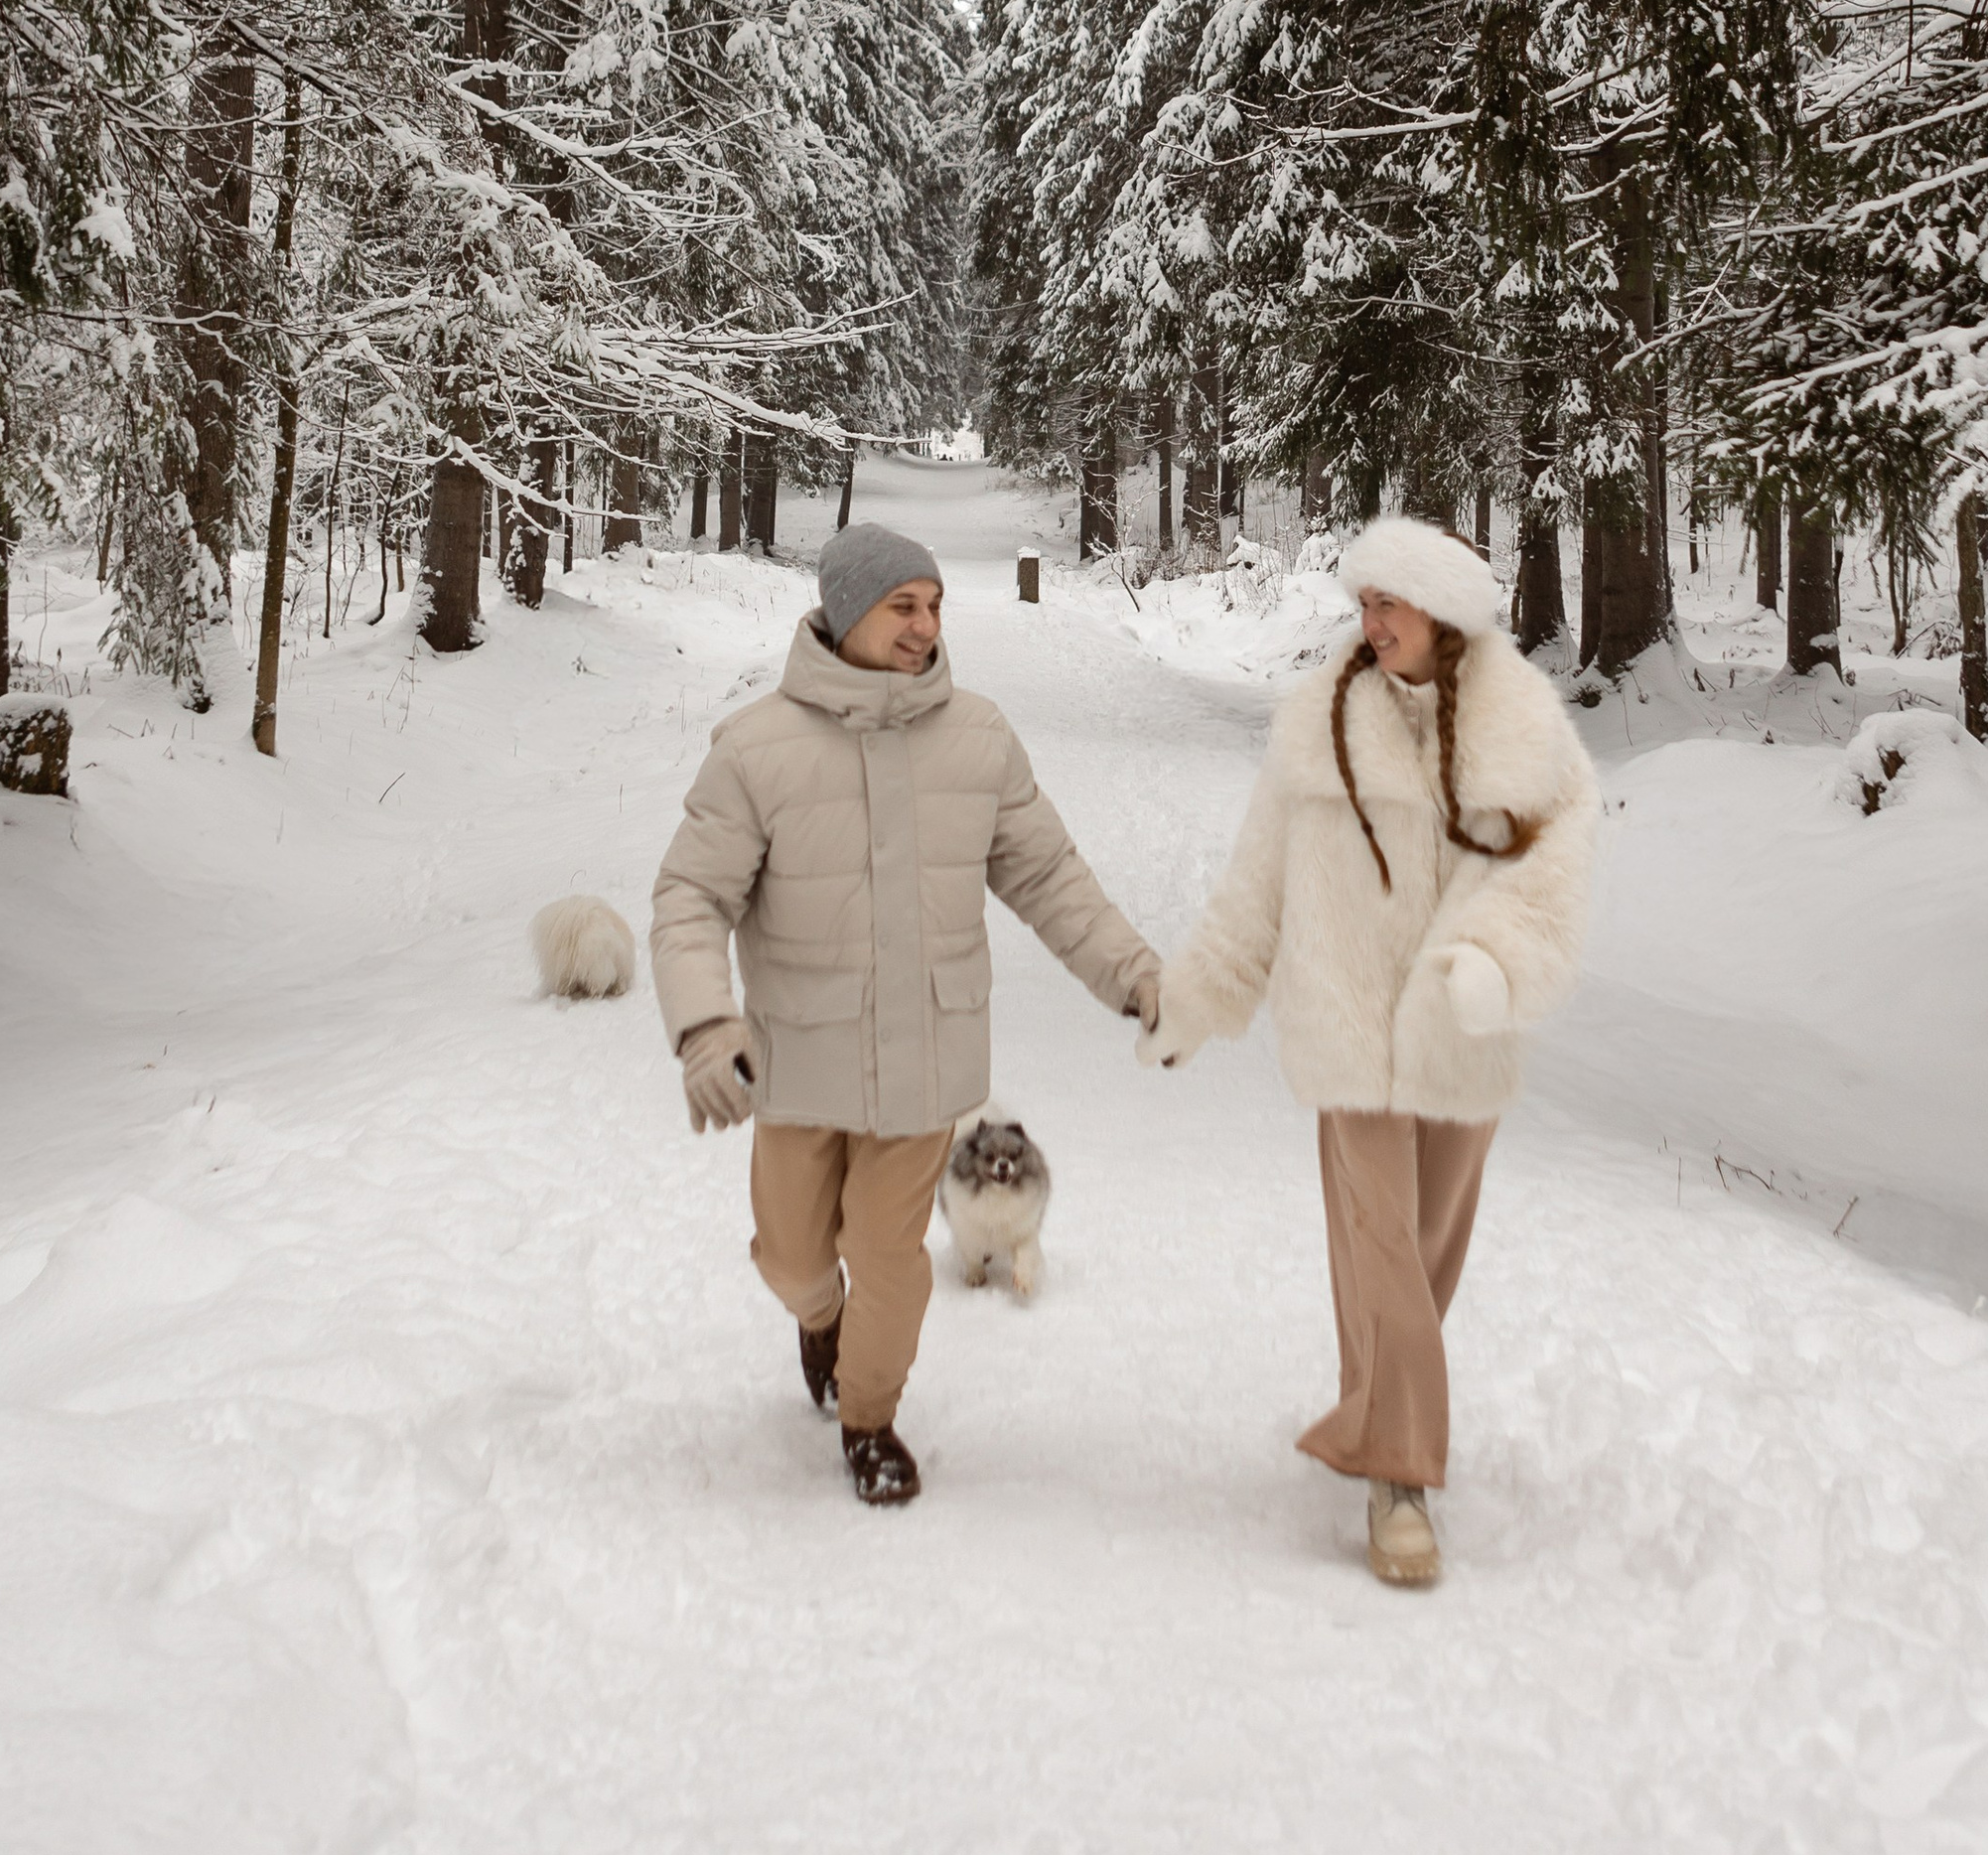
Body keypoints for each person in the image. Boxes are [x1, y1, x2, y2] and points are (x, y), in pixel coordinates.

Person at [651, 518, 1162, 1506]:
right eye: (903, 607)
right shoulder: (756, 749)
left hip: (928, 1058)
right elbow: (689, 899)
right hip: (797, 1063)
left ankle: (870, 1419)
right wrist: (707, 1026)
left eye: (933, 607)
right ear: (847, 614)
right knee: (796, 1255)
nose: (926, 627)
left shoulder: (977, 737)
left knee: (889, 1255)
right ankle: (816, 1319)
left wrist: (1135, 978)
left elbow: (1050, 877)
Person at [1146, 515, 1598, 1586]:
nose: (1369, 622)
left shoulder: (1525, 729)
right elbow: (1258, 883)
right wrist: (1199, 998)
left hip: (1460, 1031)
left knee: (1423, 1249)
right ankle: (1401, 1482)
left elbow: (1555, 874)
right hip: (1342, 1025)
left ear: (1441, 611)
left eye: (1387, 603)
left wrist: (1497, 964)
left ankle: (1378, 1400)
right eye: (1364, 604)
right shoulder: (1319, 722)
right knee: (1380, 1240)